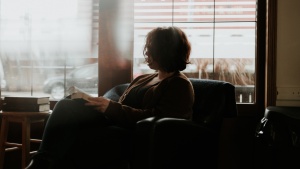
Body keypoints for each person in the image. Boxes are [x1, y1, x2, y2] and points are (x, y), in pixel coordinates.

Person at [25, 26, 194, 169]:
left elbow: (160, 122)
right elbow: (122, 104)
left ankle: (41, 164)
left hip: (133, 133)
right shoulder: (145, 78)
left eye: (151, 49)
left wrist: (110, 108)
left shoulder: (179, 85)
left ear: (165, 52)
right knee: (67, 104)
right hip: (115, 121)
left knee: (68, 114)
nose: (146, 53)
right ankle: (44, 162)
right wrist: (98, 103)